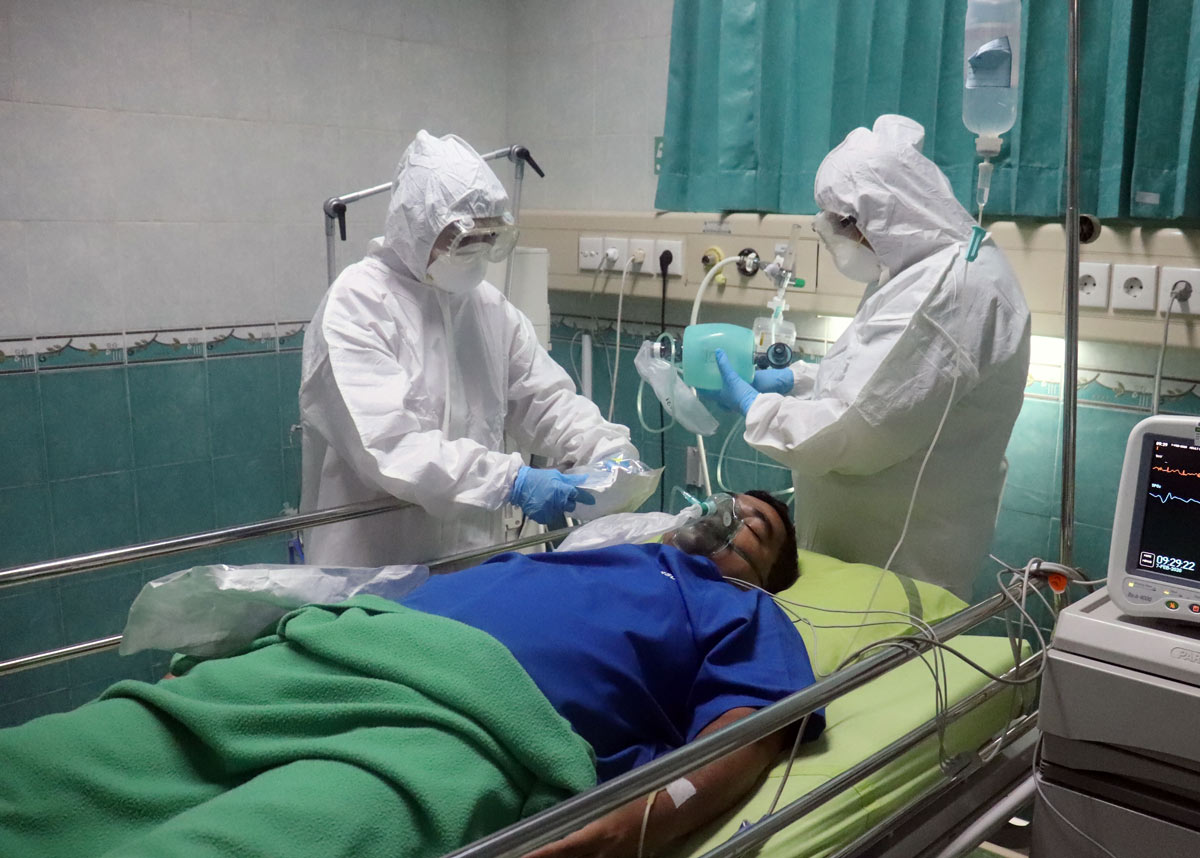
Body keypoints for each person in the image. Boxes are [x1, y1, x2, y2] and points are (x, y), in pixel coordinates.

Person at [0, 491, 821, 858]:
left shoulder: (744, 613)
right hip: (337, 653)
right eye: (734, 504)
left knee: (256, 839)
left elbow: (746, 736)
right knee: (62, 765)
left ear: (770, 575)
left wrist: (632, 824)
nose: (738, 520)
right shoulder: (601, 546)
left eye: (761, 532)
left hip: (469, 725)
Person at [709, 115, 1030, 599]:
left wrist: (756, 408)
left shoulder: (946, 291)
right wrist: (796, 382)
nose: (831, 231)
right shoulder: (915, 269)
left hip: (898, 569)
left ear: (882, 216)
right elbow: (878, 385)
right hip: (862, 560)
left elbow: (854, 430)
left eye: (841, 222)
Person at [300, 130, 637, 568]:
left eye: (488, 236)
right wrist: (512, 481)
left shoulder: (488, 309)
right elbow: (392, 448)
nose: (477, 250)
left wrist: (604, 451)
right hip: (376, 574)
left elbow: (546, 400)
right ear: (417, 226)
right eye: (463, 238)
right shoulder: (358, 306)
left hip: (475, 563)